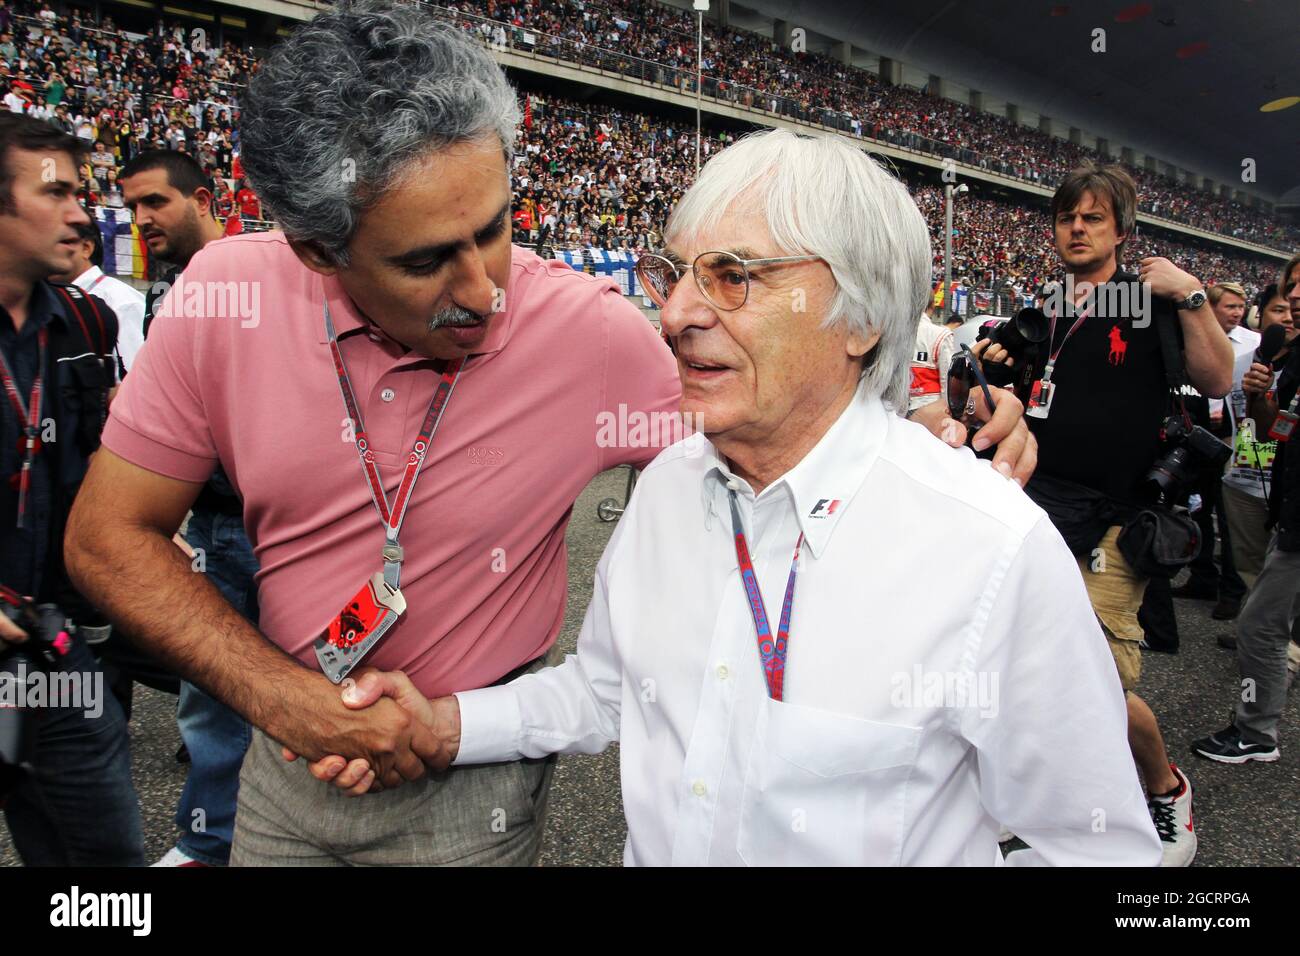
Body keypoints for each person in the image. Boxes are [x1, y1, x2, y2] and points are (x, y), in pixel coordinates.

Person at [66, 1, 1032, 867]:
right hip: (280, 764)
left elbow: (783, 405)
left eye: (493, 229)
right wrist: (283, 698)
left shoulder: (592, 333)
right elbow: (107, 538)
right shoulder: (224, 300)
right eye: (426, 261)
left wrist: (926, 421)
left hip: (472, 780)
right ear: (319, 250)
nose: (487, 289)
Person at [306, 129, 1159, 867]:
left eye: (733, 276)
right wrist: (442, 725)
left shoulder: (993, 550)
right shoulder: (670, 487)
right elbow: (606, 689)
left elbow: (1095, 846)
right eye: (677, 273)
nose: (675, 312)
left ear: (860, 319)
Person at [984, 161, 1233, 866]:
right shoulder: (1046, 306)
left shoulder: (1151, 299)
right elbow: (997, 399)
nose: (1077, 228)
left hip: (1115, 523)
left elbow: (1216, 380)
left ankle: (1164, 787)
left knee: (1095, 679)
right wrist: (992, 367)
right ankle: (1041, 802)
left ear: (1122, 230)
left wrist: (1189, 295)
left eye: (1093, 217)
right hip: (1034, 512)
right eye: (1067, 217)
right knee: (1019, 667)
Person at [0, 111, 141, 865]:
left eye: (82, 194)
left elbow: (99, 458)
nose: (81, 213)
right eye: (55, 192)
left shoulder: (86, 320)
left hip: (53, 655)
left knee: (105, 871)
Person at [118, 148, 252, 868]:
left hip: (273, 523)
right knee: (210, 691)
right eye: (132, 208)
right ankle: (212, 840)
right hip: (210, 524)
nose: (141, 221)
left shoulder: (263, 275)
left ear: (203, 198)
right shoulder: (165, 289)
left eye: (154, 204)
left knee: (315, 676)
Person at [1191, 253, 1300, 764]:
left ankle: (1256, 733)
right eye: (1291, 286)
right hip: (1283, 502)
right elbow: (1273, 432)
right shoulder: (1290, 355)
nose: (1295, 296)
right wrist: (1262, 399)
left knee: (1260, 626)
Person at [48, 212, 146, 371]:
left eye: (58, 242)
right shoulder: (47, 302)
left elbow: (137, 376)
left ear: (86, 248)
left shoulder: (121, 302)